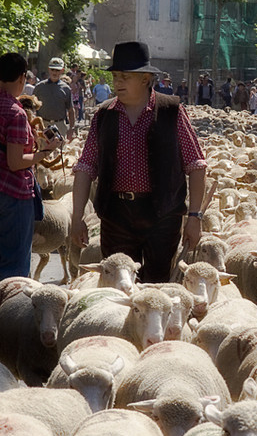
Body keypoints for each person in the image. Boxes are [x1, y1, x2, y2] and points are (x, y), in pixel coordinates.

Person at [70, 41, 207, 284]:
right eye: (115, 76)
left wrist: (195, 217)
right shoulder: (104, 115)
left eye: (125, 76)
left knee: (157, 285)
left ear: (145, 78)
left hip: (162, 215)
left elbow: (196, 165)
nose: (117, 82)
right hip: (117, 215)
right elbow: (85, 167)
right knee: (117, 285)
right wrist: (77, 216)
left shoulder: (171, 111)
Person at [0, 52, 62, 287]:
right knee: (15, 263)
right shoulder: (15, 113)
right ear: (23, 77)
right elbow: (15, 162)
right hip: (11, 189)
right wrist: (46, 151)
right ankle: (9, 312)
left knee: (1, 253)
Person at [33, 57, 76, 142]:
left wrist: (71, 128)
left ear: (62, 70)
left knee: (59, 153)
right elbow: (32, 107)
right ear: (49, 69)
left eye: (57, 70)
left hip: (59, 125)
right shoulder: (39, 87)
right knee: (43, 153)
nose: (54, 72)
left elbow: (71, 110)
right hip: (43, 125)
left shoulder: (66, 88)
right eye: (52, 69)